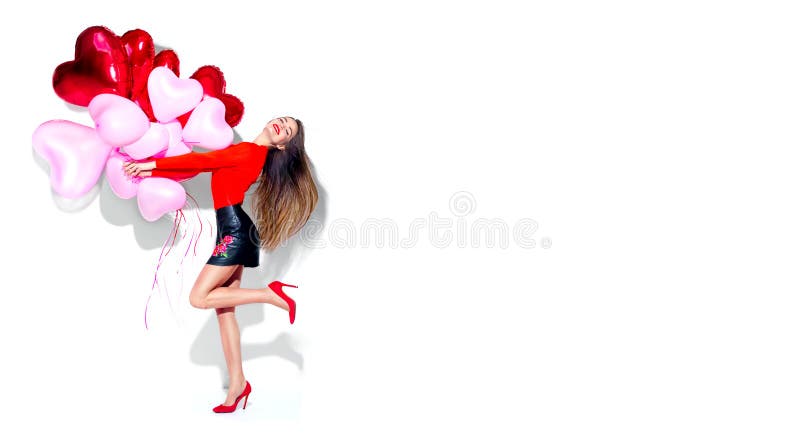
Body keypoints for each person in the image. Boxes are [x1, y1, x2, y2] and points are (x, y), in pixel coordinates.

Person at [123, 116, 318, 413]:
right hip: (233, 228)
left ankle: (270, 295)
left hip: (236, 231)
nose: (281, 125)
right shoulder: (252, 153)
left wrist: (151, 166)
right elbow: (208, 163)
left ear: (282, 145)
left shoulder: (249, 152)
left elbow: (203, 161)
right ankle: (238, 383)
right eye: (282, 120)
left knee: (198, 297)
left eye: (287, 131)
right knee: (225, 313)